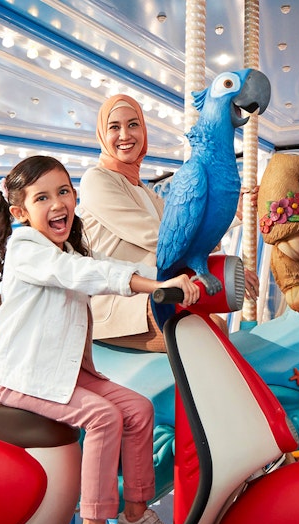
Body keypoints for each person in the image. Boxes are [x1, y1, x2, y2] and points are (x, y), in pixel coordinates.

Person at [0, 155, 199, 524]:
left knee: (137, 408)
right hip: (23, 374)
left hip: (64, 371)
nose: (58, 203)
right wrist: (156, 288)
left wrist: (187, 274)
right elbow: (86, 274)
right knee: (103, 417)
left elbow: (112, 266)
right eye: (43, 197)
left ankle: (135, 517)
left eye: (64, 191)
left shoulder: (67, 246)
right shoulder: (26, 249)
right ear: (21, 212)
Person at [79, 94, 259, 351]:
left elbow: (186, 228)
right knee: (206, 337)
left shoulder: (145, 191)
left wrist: (234, 214)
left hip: (152, 292)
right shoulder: (96, 179)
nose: (125, 135)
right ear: (102, 134)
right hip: (116, 300)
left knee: (217, 326)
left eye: (133, 124)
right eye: (114, 127)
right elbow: (162, 238)